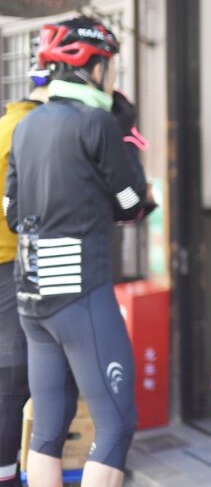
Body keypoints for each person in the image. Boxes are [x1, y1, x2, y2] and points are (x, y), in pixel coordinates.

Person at [3, 17, 148, 487]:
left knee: (47, 431)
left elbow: (11, 213)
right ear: (96, 67)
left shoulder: (25, 127)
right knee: (116, 425)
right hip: (80, 293)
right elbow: (132, 204)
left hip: (32, 296)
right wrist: (126, 138)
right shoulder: (98, 123)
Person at [0, 59, 50, 484]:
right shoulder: (33, 132)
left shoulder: (5, 125)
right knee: (14, 366)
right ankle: (6, 471)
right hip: (11, 258)